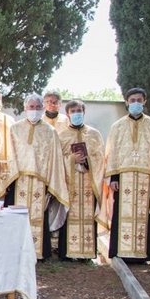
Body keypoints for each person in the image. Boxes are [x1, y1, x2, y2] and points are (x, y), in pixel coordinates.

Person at [1, 94, 69, 260]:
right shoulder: (15, 128)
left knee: (39, 217)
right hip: (18, 179)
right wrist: (9, 177)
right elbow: (9, 153)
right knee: (15, 217)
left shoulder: (50, 131)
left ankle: (39, 252)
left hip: (41, 181)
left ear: (42, 109)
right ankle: (14, 252)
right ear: (25, 108)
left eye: (38, 107)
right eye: (31, 107)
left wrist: (51, 183)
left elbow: (55, 159)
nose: (34, 110)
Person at [103, 88, 150, 263]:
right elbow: (112, 152)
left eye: (139, 99)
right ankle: (120, 251)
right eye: (132, 99)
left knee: (146, 214)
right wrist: (113, 177)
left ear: (144, 101)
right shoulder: (118, 126)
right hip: (124, 178)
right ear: (126, 102)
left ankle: (145, 253)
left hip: (147, 178)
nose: (135, 102)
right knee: (122, 213)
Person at [57, 99, 105, 260]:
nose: (76, 114)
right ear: (67, 114)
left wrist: (87, 160)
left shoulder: (94, 134)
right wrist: (71, 159)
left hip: (89, 183)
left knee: (88, 215)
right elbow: (57, 160)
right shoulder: (61, 135)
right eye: (73, 111)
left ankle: (87, 252)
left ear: (84, 113)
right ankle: (68, 252)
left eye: (79, 111)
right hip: (70, 184)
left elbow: (100, 158)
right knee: (70, 214)